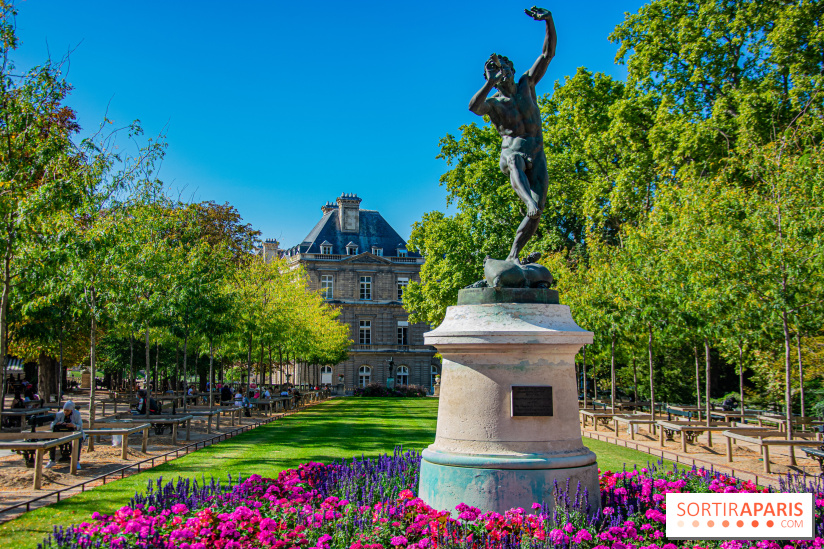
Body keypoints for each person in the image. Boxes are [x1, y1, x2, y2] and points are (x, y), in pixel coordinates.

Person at [468, 6, 556, 263]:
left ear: (511, 68)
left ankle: (513, 257)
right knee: (516, 164)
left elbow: (547, 54)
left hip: (536, 152)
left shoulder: (527, 84)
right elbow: (474, 108)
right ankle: (527, 200)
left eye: (502, 66)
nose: (499, 71)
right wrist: (489, 82)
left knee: (536, 212)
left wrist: (548, 21)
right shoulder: (494, 102)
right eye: (492, 70)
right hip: (512, 153)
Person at [45, 400, 83, 469]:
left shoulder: (77, 414)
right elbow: (52, 425)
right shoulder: (59, 414)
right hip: (60, 434)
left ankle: (76, 461)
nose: (65, 412)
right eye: (64, 410)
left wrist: (73, 425)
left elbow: (80, 426)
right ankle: (52, 460)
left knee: (78, 440)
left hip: (73, 433)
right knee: (51, 440)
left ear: (71, 410)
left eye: (67, 411)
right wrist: (57, 424)